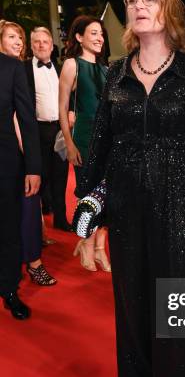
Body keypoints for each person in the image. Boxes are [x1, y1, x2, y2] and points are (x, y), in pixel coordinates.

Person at [75, 0, 185, 377]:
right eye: (132, 0)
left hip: (176, 206)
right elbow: (99, 147)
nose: (138, 5)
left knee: (175, 306)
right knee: (131, 305)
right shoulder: (115, 72)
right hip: (126, 205)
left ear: (168, 6)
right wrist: (88, 209)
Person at [0, 20, 56, 287]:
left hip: (22, 154)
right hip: (13, 152)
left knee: (28, 209)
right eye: (12, 37)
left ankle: (33, 263)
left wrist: (31, 162)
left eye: (20, 37)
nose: (18, 42)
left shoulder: (19, 69)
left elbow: (25, 117)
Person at [59, 16, 110, 272]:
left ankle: (100, 247)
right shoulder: (72, 65)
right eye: (93, 33)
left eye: (101, 33)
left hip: (108, 142)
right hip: (85, 140)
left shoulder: (106, 68)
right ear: (79, 37)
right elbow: (62, 107)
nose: (100, 38)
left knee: (108, 195)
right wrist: (68, 143)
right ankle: (86, 245)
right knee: (89, 193)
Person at [0, 28, 41, 318]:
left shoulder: (12, 68)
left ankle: (9, 289)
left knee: (9, 227)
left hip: (5, 162)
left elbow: (27, 119)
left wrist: (33, 168)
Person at [25, 26, 70, 230]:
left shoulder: (61, 68)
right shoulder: (24, 69)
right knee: (39, 177)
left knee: (60, 175)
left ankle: (61, 219)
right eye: (37, 41)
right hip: (37, 131)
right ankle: (38, 223)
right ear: (31, 45)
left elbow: (71, 96)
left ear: (52, 46)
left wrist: (71, 114)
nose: (41, 45)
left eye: (45, 41)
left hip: (60, 130)